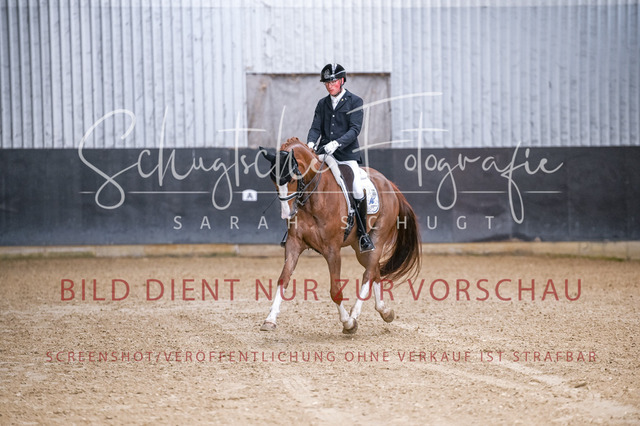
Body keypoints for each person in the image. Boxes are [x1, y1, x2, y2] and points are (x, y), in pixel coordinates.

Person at [307, 63, 375, 253]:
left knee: (357, 189)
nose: (330, 86)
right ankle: (295, 229)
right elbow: (315, 127)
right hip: (323, 153)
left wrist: (337, 143)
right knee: (304, 180)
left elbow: (354, 129)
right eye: (327, 83)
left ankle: (362, 234)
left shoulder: (355, 101)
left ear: (342, 81)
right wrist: (311, 144)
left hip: (346, 155)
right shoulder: (322, 104)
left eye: (333, 82)